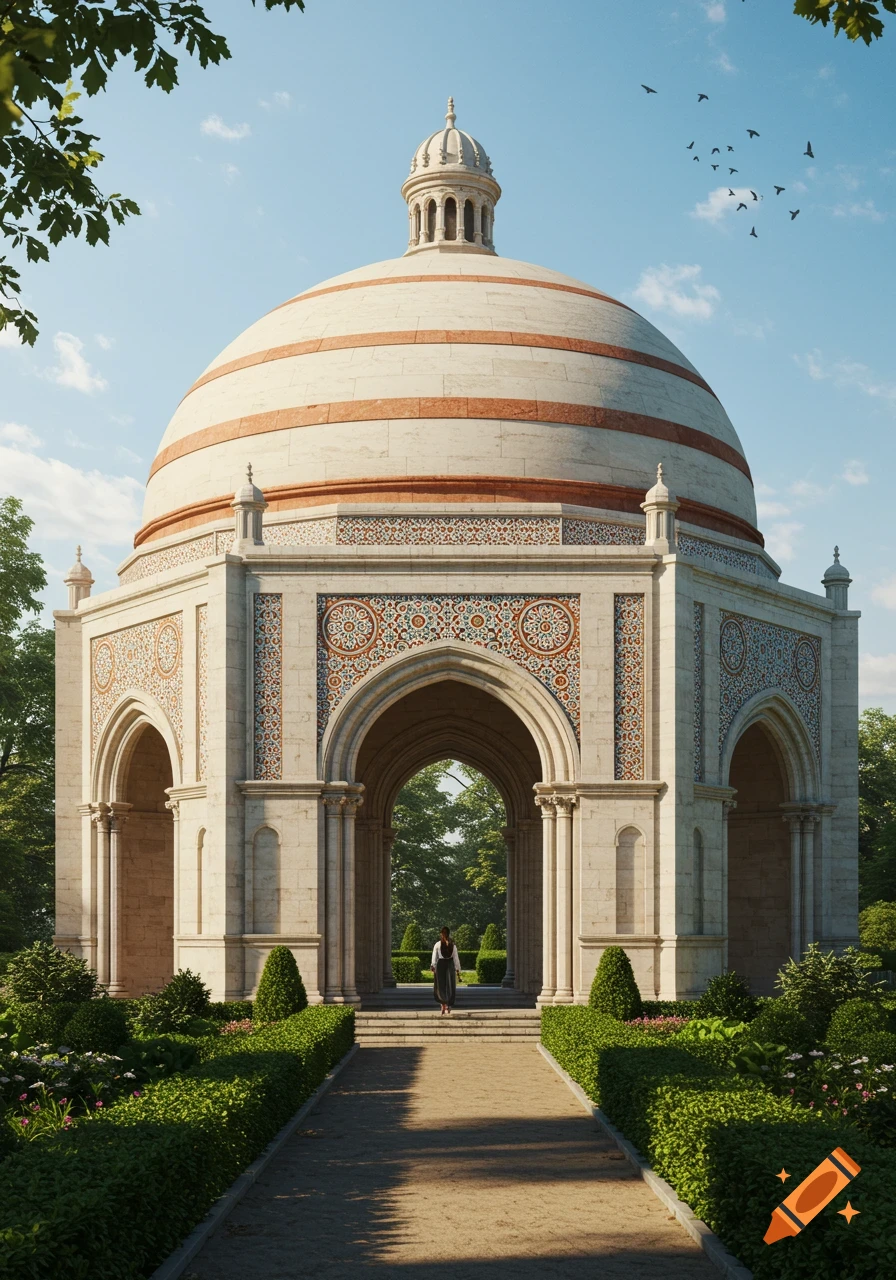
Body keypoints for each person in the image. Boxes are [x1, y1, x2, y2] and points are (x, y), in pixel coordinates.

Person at [431, 925, 461, 1014]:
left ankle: (443, 1005)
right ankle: (448, 1005)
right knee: (450, 985)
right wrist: (458, 969)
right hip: (450, 965)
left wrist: (433, 965)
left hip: (440, 965)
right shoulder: (453, 945)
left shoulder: (437, 944)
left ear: (441, 934)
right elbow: (456, 958)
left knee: (441, 986)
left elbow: (434, 957)